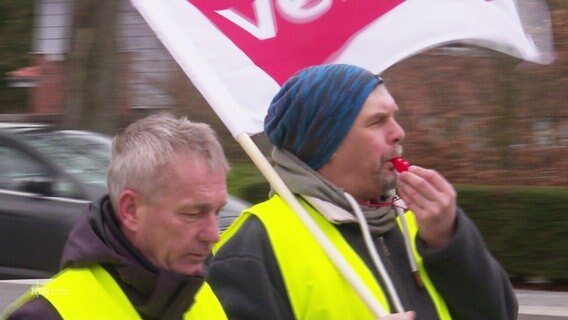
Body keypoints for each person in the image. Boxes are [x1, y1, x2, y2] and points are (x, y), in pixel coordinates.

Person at [207, 64, 518, 319]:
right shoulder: (253, 248)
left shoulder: (417, 220)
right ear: (326, 144)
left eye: (394, 117)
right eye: (377, 122)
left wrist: (450, 243)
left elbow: (499, 314)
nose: (398, 133)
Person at [5, 113, 229, 319]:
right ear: (131, 210)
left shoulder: (204, 298)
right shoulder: (49, 314)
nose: (213, 234)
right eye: (192, 213)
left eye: (217, 211)